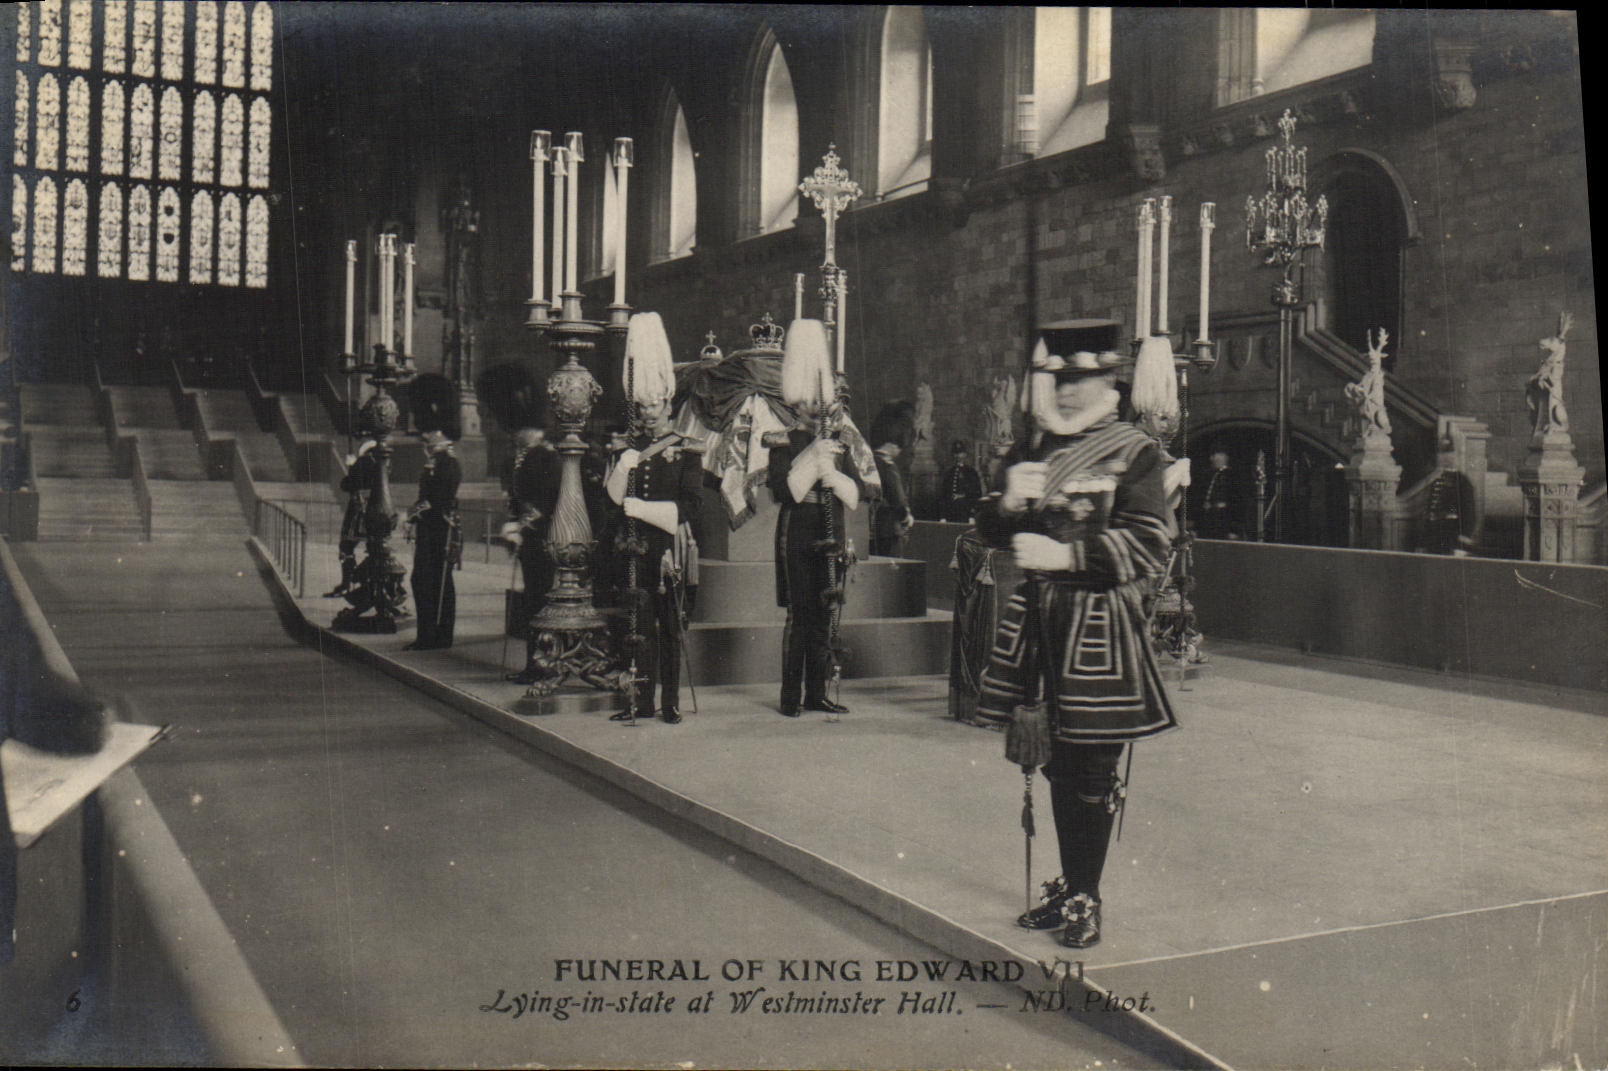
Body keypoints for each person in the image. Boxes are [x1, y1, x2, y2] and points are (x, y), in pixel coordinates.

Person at [976, 320, 1178, 950]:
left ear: (1106, 381)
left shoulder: (1136, 451)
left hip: (1098, 634)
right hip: (1038, 628)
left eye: (1079, 380)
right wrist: (1008, 507)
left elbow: (1152, 541)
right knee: (1059, 767)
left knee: (1090, 771)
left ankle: (1087, 896)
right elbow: (987, 527)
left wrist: (1066, 558)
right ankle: (1070, 883)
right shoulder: (1034, 449)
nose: (1065, 393)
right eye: (1058, 381)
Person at [768, 319, 869, 717]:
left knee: (827, 612)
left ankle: (818, 692)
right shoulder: (783, 439)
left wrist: (834, 474)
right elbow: (785, 491)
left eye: (819, 398)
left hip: (833, 527)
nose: (815, 405)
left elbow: (856, 494)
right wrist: (813, 460)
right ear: (796, 399)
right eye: (808, 398)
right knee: (801, 612)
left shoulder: (842, 440)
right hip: (799, 529)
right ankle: (791, 696)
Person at [607, 313, 703, 725]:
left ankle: (671, 703)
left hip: (668, 547)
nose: (648, 412)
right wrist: (622, 468)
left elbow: (691, 507)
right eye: (642, 405)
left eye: (655, 404)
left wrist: (644, 509)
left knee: (669, 627)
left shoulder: (686, 449)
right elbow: (611, 498)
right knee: (637, 625)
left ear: (668, 402)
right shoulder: (627, 445)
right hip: (633, 547)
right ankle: (639, 702)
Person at [405, 374, 463, 651]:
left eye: (428, 431)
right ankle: (428, 634)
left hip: (441, 527)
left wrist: (415, 512)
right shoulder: (436, 461)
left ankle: (438, 635)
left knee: (435, 581)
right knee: (423, 579)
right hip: (430, 528)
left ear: (438, 431)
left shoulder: (447, 462)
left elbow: (438, 500)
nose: (424, 435)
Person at [325, 428, 380, 597]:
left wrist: (352, 466)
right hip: (375, 510)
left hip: (359, 510)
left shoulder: (363, 462)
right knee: (374, 548)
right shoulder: (381, 461)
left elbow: (347, 485)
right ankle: (372, 584)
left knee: (346, 546)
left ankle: (347, 583)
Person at [869, 401, 917, 557]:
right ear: (892, 445)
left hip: (872, 528)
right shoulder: (888, 466)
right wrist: (906, 517)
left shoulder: (869, 461)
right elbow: (899, 500)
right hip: (890, 529)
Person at [1195, 445, 1240, 540]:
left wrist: (1233, 529)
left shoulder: (1233, 477)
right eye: (1212, 455)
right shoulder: (1208, 475)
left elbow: (1237, 504)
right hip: (1207, 519)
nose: (1212, 458)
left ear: (1224, 457)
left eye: (1216, 455)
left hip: (1223, 521)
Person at [938, 439, 986, 523]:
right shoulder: (949, 472)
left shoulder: (971, 472)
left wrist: (972, 514)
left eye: (960, 453)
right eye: (955, 453)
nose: (958, 456)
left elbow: (976, 494)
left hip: (965, 512)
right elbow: (943, 495)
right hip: (951, 512)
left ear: (965, 455)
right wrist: (943, 516)